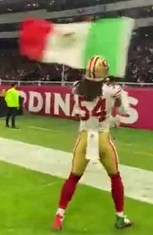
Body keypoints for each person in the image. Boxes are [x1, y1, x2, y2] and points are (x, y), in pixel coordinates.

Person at [52, 56, 133, 231]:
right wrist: (113, 117)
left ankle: (59, 215)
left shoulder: (76, 88)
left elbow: (78, 109)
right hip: (103, 137)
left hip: (84, 138)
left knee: (73, 177)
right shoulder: (113, 90)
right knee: (115, 177)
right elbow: (122, 110)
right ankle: (120, 217)